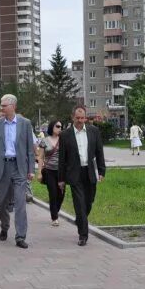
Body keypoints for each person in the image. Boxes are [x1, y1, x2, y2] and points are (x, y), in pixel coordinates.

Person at [0, 94, 35, 249]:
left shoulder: (25, 124)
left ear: (13, 106)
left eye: (4, 105)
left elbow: (30, 150)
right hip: (2, 168)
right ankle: (4, 227)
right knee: (2, 203)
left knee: (20, 203)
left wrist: (31, 169)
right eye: (1, 105)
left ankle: (20, 236)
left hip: (19, 168)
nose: (1, 108)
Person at [58, 106, 106, 247]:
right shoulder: (65, 135)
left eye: (82, 118)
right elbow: (62, 158)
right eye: (77, 118)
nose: (80, 120)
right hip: (74, 173)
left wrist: (102, 171)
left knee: (88, 202)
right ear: (72, 117)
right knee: (79, 203)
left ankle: (80, 219)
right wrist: (61, 179)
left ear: (85, 117)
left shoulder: (94, 131)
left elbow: (99, 152)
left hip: (89, 171)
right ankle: (83, 235)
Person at [37, 119, 65, 227]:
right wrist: (39, 172)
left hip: (61, 172)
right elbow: (40, 157)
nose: (60, 128)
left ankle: (55, 211)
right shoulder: (44, 141)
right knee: (53, 194)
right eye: (57, 126)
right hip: (49, 171)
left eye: (61, 127)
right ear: (52, 127)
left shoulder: (63, 140)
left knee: (61, 195)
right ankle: (54, 217)